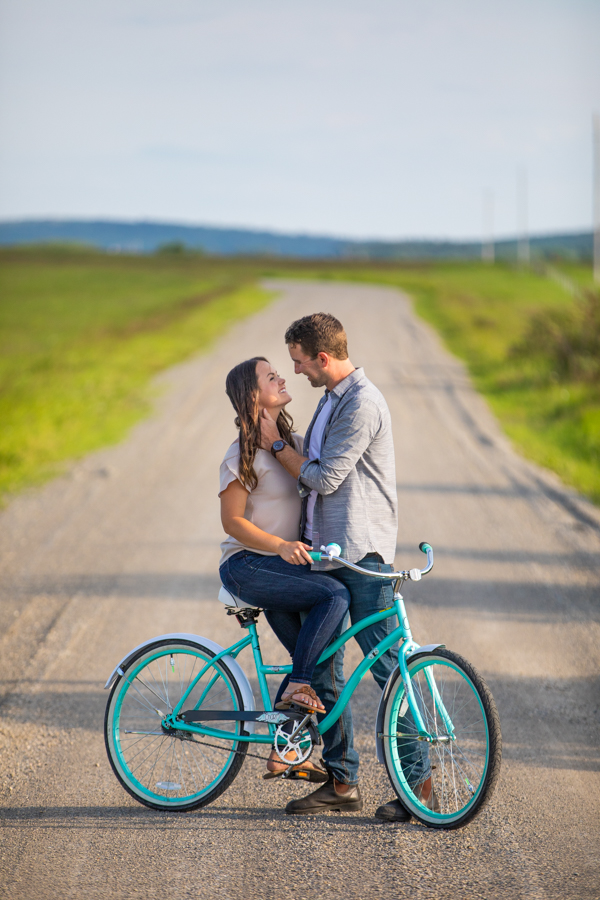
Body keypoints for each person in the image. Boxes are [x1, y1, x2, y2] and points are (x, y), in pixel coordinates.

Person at [259, 313, 435, 819]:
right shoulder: (331, 398)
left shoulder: (361, 403)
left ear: (323, 357)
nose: (295, 373)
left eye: (298, 362)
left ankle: (419, 784)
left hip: (361, 556)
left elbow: (326, 478)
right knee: (325, 671)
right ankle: (340, 784)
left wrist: (274, 444)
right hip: (329, 553)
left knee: (387, 669)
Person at [218, 356, 351, 781]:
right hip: (247, 566)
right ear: (251, 395)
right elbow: (232, 522)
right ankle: (295, 709)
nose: (280, 376)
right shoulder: (240, 452)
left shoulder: (291, 442)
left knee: (312, 661)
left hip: (283, 569)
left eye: (278, 370)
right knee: (335, 596)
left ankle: (284, 751)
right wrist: (281, 546)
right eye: (269, 375)